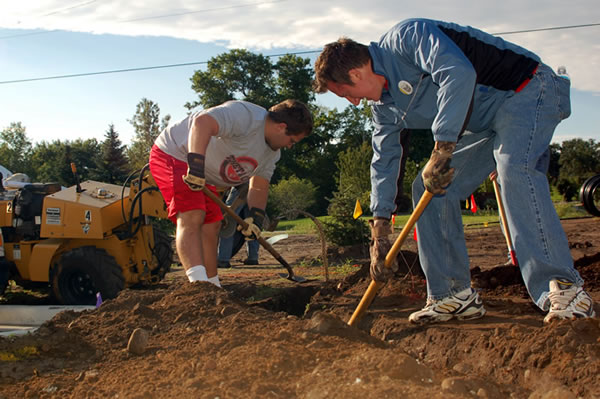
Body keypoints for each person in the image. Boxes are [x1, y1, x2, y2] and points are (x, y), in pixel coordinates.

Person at [313, 18, 595, 323]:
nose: (354, 103)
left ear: (356, 72)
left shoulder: (408, 38)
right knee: (426, 189)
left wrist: (443, 146)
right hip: (485, 125)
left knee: (513, 168)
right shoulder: (384, 107)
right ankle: (452, 295)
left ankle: (564, 289)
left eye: (347, 94)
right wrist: (380, 231)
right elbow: (384, 161)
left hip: (527, 90)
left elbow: (458, 73)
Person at [149, 99, 313, 288]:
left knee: (212, 223)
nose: (290, 146)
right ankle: (199, 286)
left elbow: (259, 186)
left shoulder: (272, 154)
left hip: (204, 174)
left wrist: (255, 220)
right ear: (281, 127)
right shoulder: (245, 116)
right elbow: (202, 123)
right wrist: (195, 166)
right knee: (193, 214)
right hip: (175, 153)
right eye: (291, 140)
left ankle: (213, 285)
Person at [217, 184, 260, 268]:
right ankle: (253, 257)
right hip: (255, 184)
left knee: (228, 221)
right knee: (251, 222)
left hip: (241, 185)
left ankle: (223, 259)